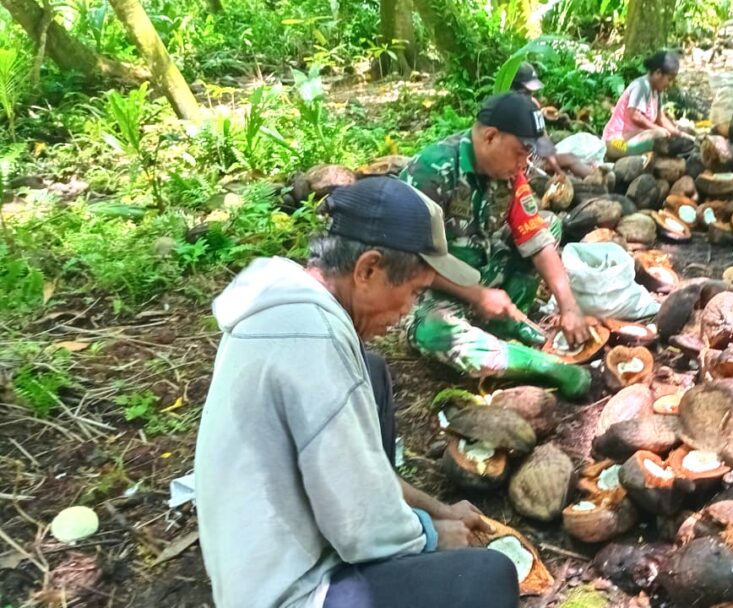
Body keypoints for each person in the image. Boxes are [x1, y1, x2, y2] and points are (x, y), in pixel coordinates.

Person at [194, 176, 519, 608]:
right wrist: (430, 533)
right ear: (367, 269)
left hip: (276, 551)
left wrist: (437, 510)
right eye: (413, 292)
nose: (407, 311)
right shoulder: (314, 344)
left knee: (373, 371)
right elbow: (360, 525)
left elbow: (359, 474)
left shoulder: (288, 306)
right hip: (289, 589)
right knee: (487, 576)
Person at [399, 92, 594, 399]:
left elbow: (537, 239)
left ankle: (506, 322)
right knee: (434, 332)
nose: (524, 164)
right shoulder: (432, 171)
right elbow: (408, 261)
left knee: (549, 225)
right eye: (520, 152)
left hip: (486, 270)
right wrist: (475, 295)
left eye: (529, 154)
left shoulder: (511, 175)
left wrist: (569, 305)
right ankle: (543, 367)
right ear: (490, 137)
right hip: (436, 291)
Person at [511, 62, 600, 178]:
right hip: (526, 163)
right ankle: (597, 179)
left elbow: (543, 136)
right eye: (527, 91)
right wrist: (558, 171)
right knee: (570, 159)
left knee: (571, 159)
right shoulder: (523, 107)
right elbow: (542, 141)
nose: (531, 93)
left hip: (533, 156)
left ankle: (596, 176)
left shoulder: (529, 104)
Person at [602, 50, 692, 159]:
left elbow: (661, 118)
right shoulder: (641, 86)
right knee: (659, 135)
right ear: (658, 73)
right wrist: (657, 129)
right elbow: (634, 114)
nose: (670, 84)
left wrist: (678, 133)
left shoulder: (657, 91)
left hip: (632, 139)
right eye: (669, 79)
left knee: (670, 135)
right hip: (615, 143)